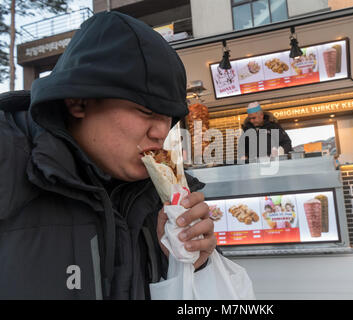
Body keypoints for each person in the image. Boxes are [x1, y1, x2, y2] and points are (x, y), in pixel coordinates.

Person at [0, 11, 216, 299]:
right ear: (78, 102)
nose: (161, 131)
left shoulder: (169, 200)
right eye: (146, 111)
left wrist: (185, 262)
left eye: (169, 116)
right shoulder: (9, 162)